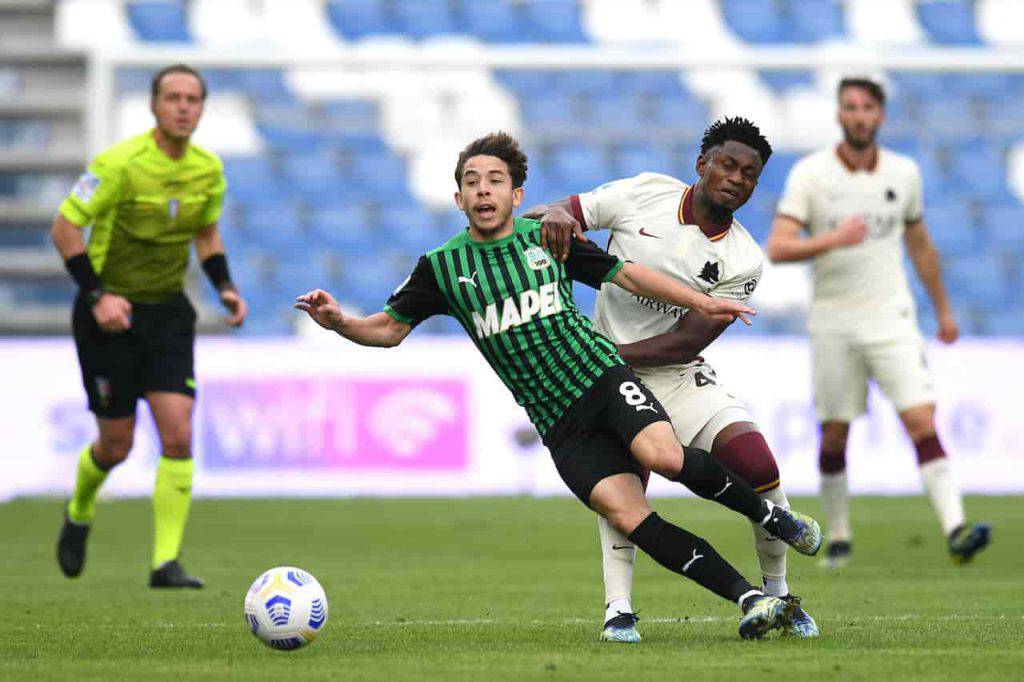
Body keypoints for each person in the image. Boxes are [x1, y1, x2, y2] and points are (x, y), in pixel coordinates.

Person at [296, 132, 822, 640]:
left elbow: (626, 274)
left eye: (495, 180)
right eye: (473, 181)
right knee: (628, 513)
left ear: (516, 195)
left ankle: (769, 515)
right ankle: (751, 600)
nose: (484, 189)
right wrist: (341, 321)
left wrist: (700, 302)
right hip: (557, 420)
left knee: (663, 456)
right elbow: (387, 331)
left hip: (602, 376)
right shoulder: (440, 268)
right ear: (457, 198)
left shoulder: (547, 240)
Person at [525, 117, 817, 643]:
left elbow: (685, 341)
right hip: (608, 380)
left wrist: (599, 354)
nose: (736, 178)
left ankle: (779, 597)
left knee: (759, 466)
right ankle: (619, 610)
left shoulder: (744, 258)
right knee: (623, 489)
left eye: (749, 174)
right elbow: (556, 212)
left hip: (674, 375)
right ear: (701, 163)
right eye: (727, 164)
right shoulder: (643, 193)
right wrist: (553, 217)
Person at [766, 77, 990, 568]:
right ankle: (840, 535)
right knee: (835, 432)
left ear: (881, 115)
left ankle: (956, 529)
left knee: (920, 418)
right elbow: (778, 247)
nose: (860, 115)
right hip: (833, 319)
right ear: (839, 115)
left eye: (868, 107)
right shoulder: (811, 174)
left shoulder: (904, 172)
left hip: (892, 316)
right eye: (851, 107)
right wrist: (832, 240)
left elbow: (920, 245)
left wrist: (945, 311)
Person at [53, 64, 247, 587]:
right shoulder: (118, 164)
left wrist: (225, 286)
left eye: (193, 99)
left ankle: (165, 562)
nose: (184, 107)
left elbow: (206, 235)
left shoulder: (208, 170)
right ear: (154, 105)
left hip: (166, 313)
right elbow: (65, 229)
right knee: (115, 445)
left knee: (179, 433)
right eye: (173, 98)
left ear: (202, 108)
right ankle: (79, 509)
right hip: (107, 314)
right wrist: (98, 296)